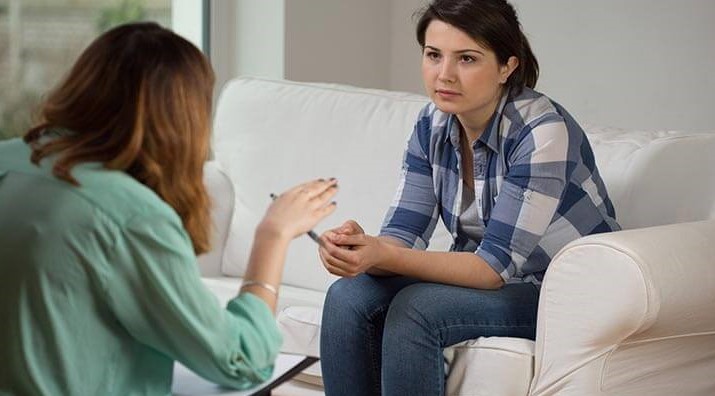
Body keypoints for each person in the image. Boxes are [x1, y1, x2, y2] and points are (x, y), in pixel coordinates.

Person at [0, 22, 338, 395]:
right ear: (181, 116)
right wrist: (273, 236)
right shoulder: (130, 216)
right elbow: (241, 360)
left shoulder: (8, 161)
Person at [317, 0, 620, 394]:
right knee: (348, 295)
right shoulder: (432, 124)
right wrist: (359, 250)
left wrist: (382, 254)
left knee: (418, 310)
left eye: (467, 59)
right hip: (488, 284)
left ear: (507, 66)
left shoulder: (541, 131)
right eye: (433, 55)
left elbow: (491, 268)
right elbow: (402, 235)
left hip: (559, 293)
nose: (444, 75)